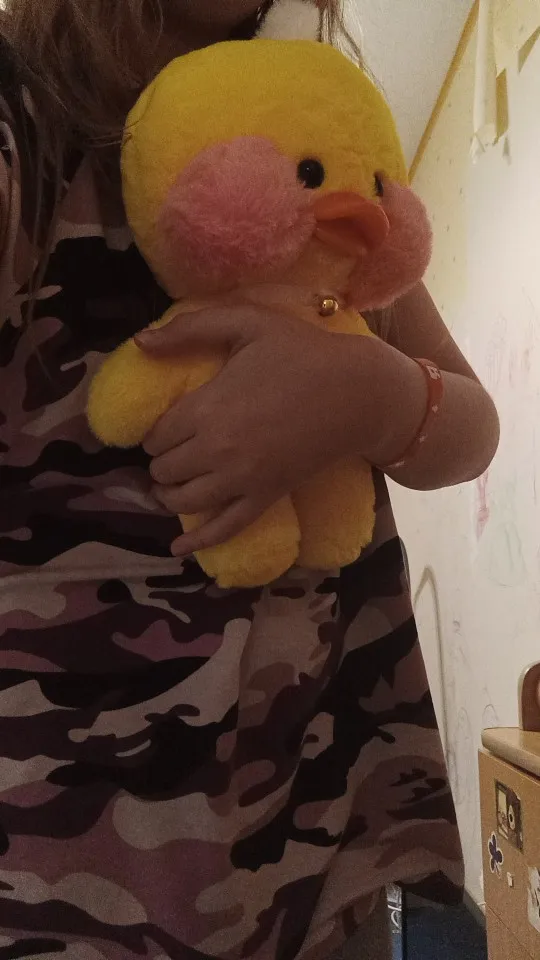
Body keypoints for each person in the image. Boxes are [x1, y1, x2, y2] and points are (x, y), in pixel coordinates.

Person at [0, 2, 498, 959]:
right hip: (70, 885)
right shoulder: (25, 121)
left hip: (325, 856)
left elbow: (472, 427)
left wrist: (379, 395)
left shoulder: (299, 115)